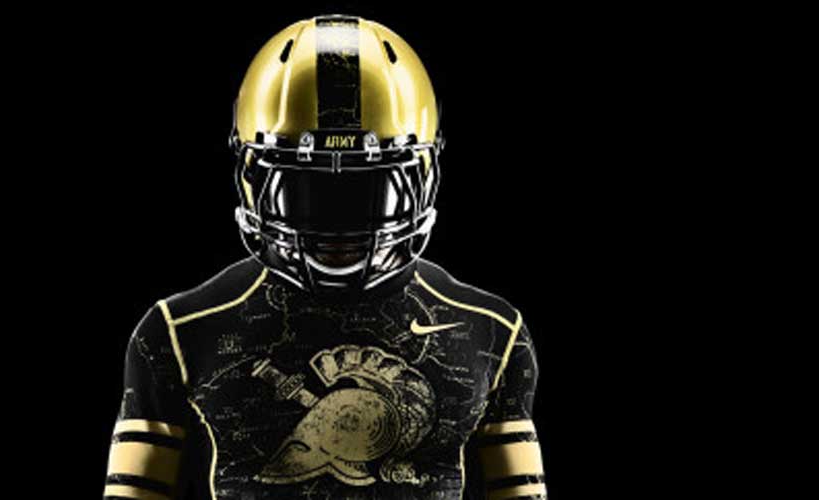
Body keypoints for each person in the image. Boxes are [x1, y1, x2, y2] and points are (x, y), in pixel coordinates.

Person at [103, 14, 546, 500]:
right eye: (308, 189)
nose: (337, 227)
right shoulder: (176, 333)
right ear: (251, 176)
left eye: (366, 188)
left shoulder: (494, 333)